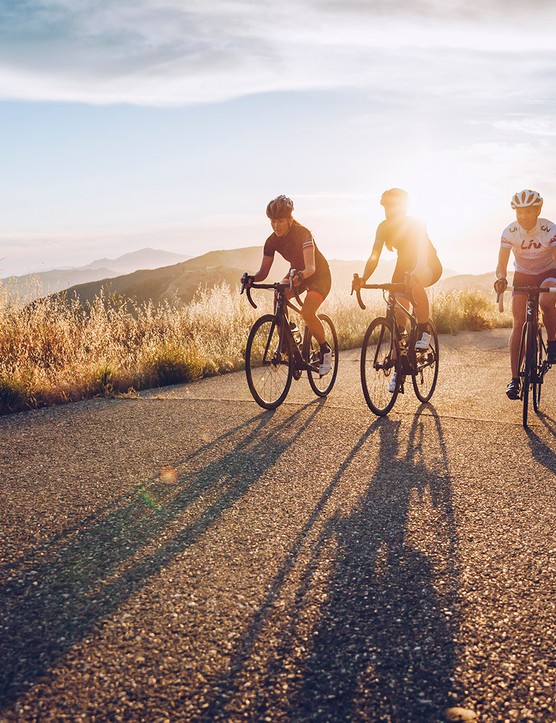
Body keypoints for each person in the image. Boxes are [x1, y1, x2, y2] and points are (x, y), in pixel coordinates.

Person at [354, 188, 442, 391]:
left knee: (415, 284)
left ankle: (423, 331)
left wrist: (418, 272)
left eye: (392, 206)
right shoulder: (383, 227)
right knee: (397, 316)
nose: (388, 210)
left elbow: (421, 252)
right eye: (385, 206)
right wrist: (364, 278)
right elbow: (374, 256)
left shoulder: (416, 223)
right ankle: (400, 367)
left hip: (428, 263)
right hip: (403, 265)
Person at [247, 195, 333, 375]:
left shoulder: (303, 233)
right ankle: (287, 343)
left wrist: (300, 276)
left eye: (280, 221)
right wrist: (251, 279)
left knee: (307, 313)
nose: (276, 225)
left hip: (318, 276)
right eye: (272, 221)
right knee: (279, 294)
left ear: (290, 219)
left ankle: (325, 350)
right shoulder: (271, 241)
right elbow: (263, 273)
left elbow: (310, 267)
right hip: (296, 274)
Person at [494, 189, 556, 400]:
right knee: (518, 321)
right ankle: (514, 378)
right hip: (522, 275)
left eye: (528, 212)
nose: (523, 217)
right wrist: (501, 279)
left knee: (547, 301)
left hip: (549, 272)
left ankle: (553, 342)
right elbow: (501, 266)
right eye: (519, 212)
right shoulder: (509, 232)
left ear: (538, 210)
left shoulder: (550, 229)